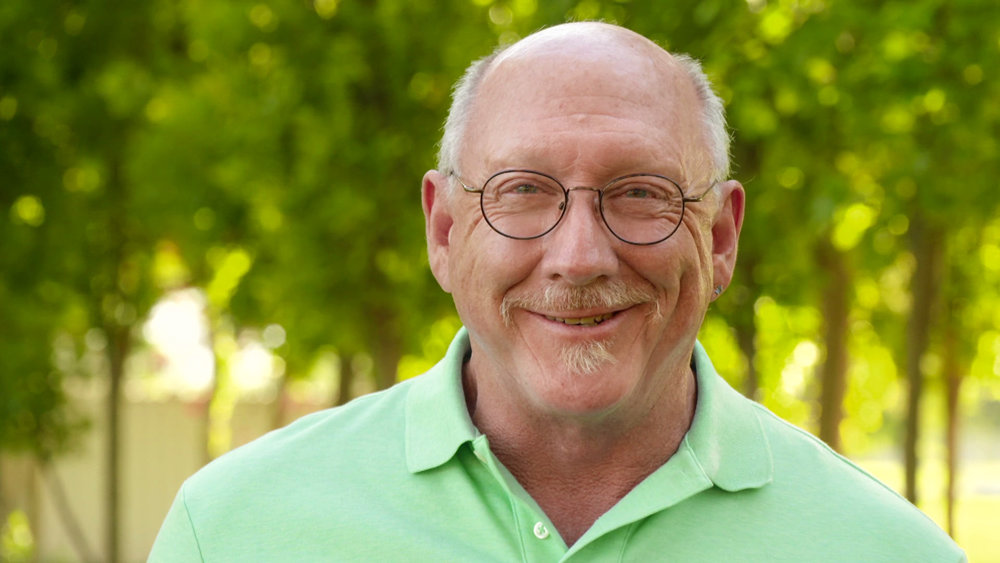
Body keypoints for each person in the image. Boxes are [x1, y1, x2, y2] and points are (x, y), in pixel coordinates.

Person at [150, 22, 965, 561]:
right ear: (444, 230)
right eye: (523, 190)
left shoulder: (890, 553)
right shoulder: (229, 532)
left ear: (719, 237)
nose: (579, 257)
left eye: (641, 192)